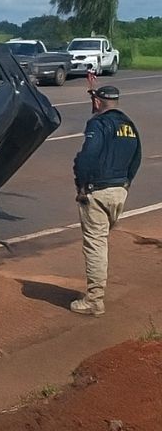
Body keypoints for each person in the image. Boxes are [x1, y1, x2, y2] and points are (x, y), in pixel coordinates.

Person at [70, 84, 142, 316]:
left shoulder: (98, 124)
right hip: (119, 190)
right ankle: (95, 295)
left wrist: (81, 183)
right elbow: (136, 157)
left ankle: (94, 300)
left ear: (98, 102)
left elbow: (88, 155)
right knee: (101, 240)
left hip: (98, 191)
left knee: (96, 244)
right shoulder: (128, 126)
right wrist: (127, 183)